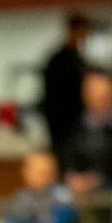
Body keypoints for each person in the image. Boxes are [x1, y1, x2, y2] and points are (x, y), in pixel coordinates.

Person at [62, 72, 112, 196]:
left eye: (104, 98)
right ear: (86, 98)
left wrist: (98, 178)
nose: (100, 103)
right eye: (95, 98)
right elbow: (69, 154)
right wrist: (73, 175)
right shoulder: (78, 124)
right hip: (83, 187)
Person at [41, 13, 90, 164]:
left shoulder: (78, 59)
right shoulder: (59, 60)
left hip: (77, 124)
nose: (85, 37)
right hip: (62, 124)